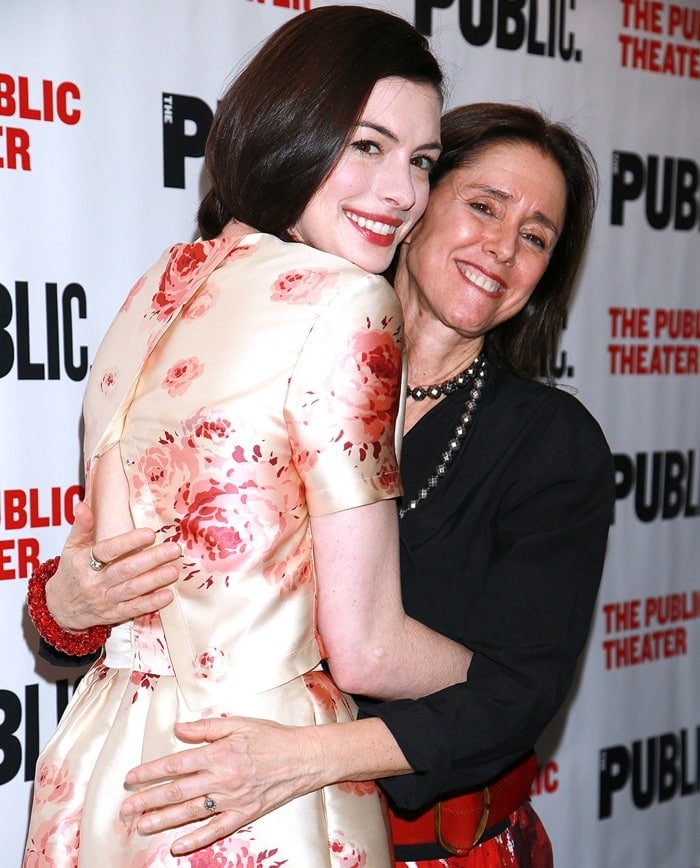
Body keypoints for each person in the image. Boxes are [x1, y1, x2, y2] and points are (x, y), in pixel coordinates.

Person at [23, 8, 481, 866]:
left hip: (99, 768)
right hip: (250, 782)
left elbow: (101, 579)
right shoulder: (346, 301)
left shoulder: (156, 284)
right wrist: (504, 683)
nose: (402, 193)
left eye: (421, 161)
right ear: (289, 130)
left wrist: (58, 609)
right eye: (368, 146)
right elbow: (368, 645)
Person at [117, 103, 616, 867]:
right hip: (231, 828)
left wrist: (297, 759)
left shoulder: (555, 446)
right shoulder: (273, 367)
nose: (502, 248)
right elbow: (146, 562)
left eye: (536, 238)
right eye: (483, 206)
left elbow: (519, 693)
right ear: (413, 203)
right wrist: (68, 608)